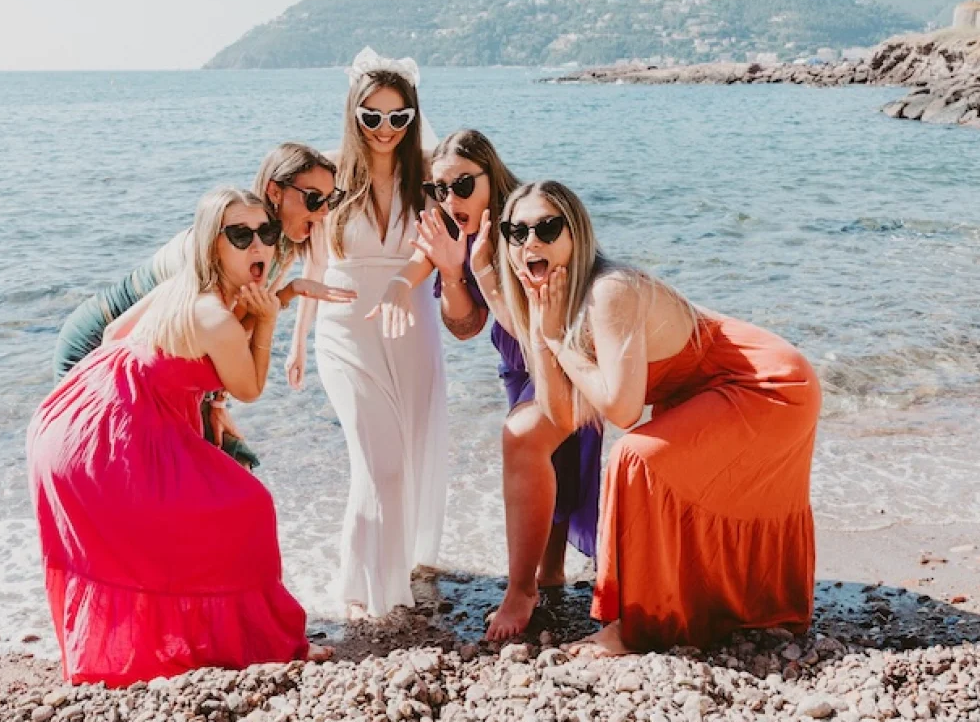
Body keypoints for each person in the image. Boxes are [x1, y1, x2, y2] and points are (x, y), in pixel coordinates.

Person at [495, 180, 821, 656]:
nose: (531, 243)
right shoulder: (551, 299)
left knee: (635, 458)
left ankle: (628, 627)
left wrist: (559, 343)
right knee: (652, 466)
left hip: (768, 384)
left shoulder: (609, 290)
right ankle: (711, 608)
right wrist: (545, 336)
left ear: (576, 232)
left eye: (547, 227)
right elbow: (564, 414)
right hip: (713, 391)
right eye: (516, 231)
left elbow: (624, 412)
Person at [28, 188, 324, 685]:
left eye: (266, 234)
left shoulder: (184, 286)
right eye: (240, 235)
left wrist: (173, 395)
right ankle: (254, 643)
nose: (259, 246)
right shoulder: (211, 313)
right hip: (103, 434)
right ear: (213, 245)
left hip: (77, 415)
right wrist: (270, 318)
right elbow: (248, 387)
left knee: (188, 524)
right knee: (246, 508)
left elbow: (111, 338)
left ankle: (192, 642)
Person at [51, 142, 355, 466]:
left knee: (219, 469)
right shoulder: (213, 250)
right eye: (314, 199)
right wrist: (214, 405)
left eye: (330, 199)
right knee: (111, 474)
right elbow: (191, 330)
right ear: (275, 191)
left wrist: (218, 401)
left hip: (145, 366)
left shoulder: (270, 247)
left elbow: (232, 331)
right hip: (98, 347)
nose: (324, 211)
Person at [413, 130, 603, 641]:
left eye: (461, 184)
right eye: (439, 189)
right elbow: (465, 325)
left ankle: (523, 589)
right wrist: (454, 274)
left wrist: (483, 272)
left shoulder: (525, 228)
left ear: (490, 176)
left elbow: (540, 329)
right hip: (518, 366)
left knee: (536, 448)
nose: (450, 199)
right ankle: (550, 576)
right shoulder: (460, 231)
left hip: (565, 359)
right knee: (554, 464)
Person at [287, 51, 447, 617]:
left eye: (397, 117)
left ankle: (370, 576)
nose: (384, 129)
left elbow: (438, 249)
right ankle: (374, 595)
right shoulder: (330, 176)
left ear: (412, 117)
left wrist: (407, 282)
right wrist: (297, 340)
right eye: (371, 116)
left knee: (398, 457)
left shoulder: (428, 173)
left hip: (411, 324)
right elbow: (313, 262)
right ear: (352, 113)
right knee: (377, 459)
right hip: (344, 333)